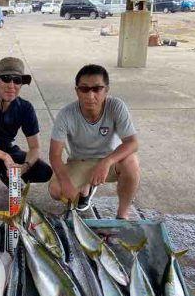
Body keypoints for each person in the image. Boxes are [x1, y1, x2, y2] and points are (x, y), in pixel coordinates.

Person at [49, 64, 140, 219]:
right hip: (80, 161)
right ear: (77, 91)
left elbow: (132, 143)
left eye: (97, 89)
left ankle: (123, 213)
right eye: (84, 89)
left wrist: (106, 162)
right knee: (56, 190)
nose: (90, 95)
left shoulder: (116, 106)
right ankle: (85, 189)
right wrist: (66, 183)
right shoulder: (66, 114)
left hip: (110, 161)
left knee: (131, 163)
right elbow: (55, 155)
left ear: (106, 90)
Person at [0, 57, 53, 210]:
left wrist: (24, 167)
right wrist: (5, 157)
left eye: (17, 80)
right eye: (6, 79)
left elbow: (35, 147)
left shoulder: (26, 108)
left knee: (44, 171)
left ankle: (7, 175)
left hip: (8, 150)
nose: (11, 85)